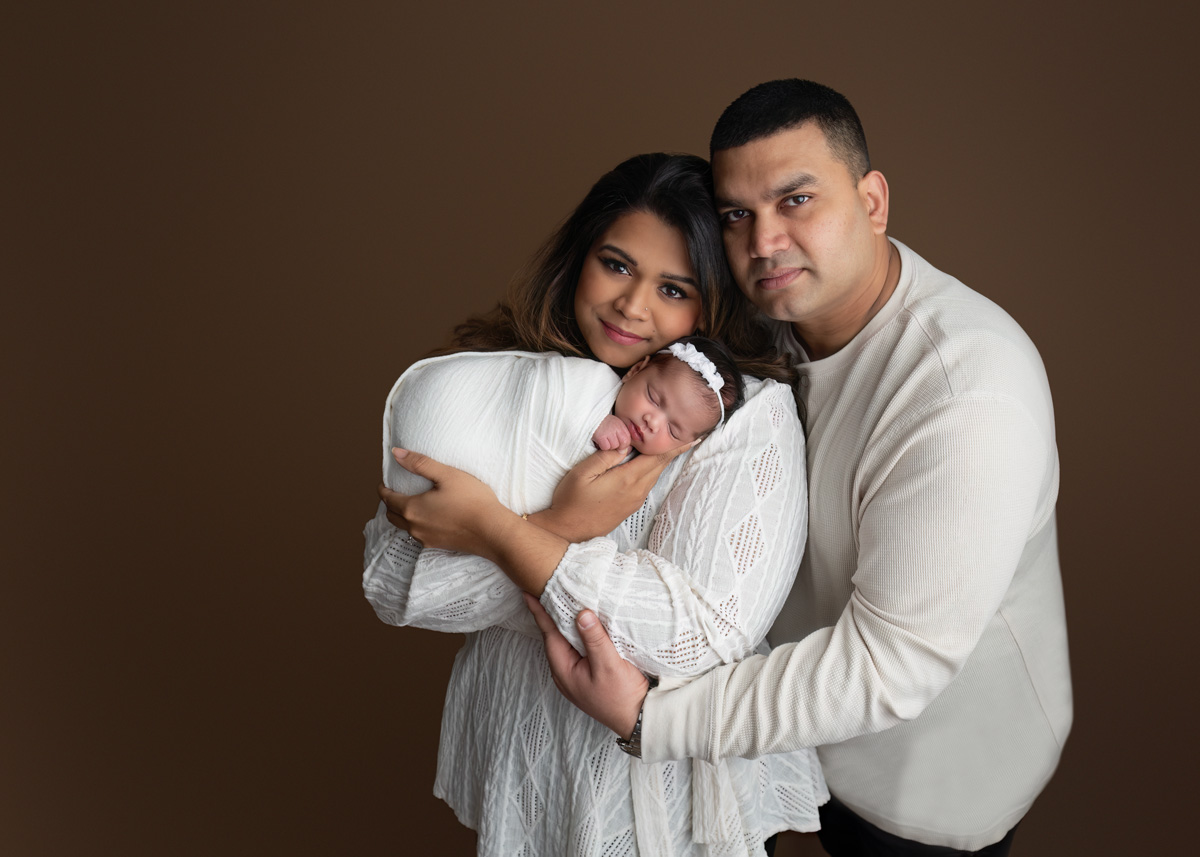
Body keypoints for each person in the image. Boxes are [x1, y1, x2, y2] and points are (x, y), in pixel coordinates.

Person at [389, 82, 1073, 855]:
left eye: (797, 200)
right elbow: (399, 583)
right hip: (770, 729)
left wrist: (650, 715)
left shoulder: (965, 392)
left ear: (873, 200)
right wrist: (550, 533)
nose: (764, 241)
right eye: (737, 214)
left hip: (924, 765)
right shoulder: (747, 343)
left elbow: (889, 665)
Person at [365, 153, 827, 857]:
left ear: (713, 303)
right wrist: (557, 530)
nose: (632, 306)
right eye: (616, 264)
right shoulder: (505, 379)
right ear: (579, 259)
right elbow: (396, 588)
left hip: (663, 788)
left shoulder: (744, 418)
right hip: (527, 753)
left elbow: (698, 633)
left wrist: (494, 529)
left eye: (674, 288)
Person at [593, 336, 744, 454]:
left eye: (673, 431)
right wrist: (595, 421)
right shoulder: (594, 380)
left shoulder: (639, 469)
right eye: (653, 398)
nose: (652, 423)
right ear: (636, 370)